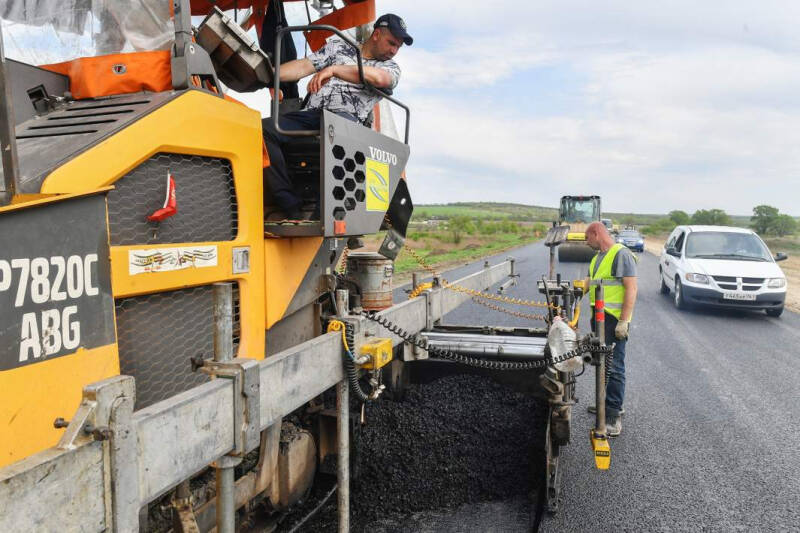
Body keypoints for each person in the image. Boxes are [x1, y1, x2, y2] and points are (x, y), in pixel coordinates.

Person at [263, 13, 413, 219]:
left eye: (398, 47)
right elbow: (303, 66)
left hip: (347, 121)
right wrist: (267, 73)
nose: (394, 51)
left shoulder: (389, 67)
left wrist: (333, 70)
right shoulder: (337, 48)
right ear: (377, 34)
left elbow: (380, 78)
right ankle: (289, 206)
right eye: (391, 43)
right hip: (313, 115)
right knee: (264, 129)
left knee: (338, 133)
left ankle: (322, 216)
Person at [584, 221, 638, 437]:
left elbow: (631, 288)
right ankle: (604, 404)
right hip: (598, 319)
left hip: (614, 320)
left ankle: (614, 415)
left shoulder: (620, 254)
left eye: (587, 238)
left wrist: (623, 321)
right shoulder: (597, 258)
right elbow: (587, 284)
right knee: (602, 363)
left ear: (596, 233)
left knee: (614, 367)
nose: (586, 243)